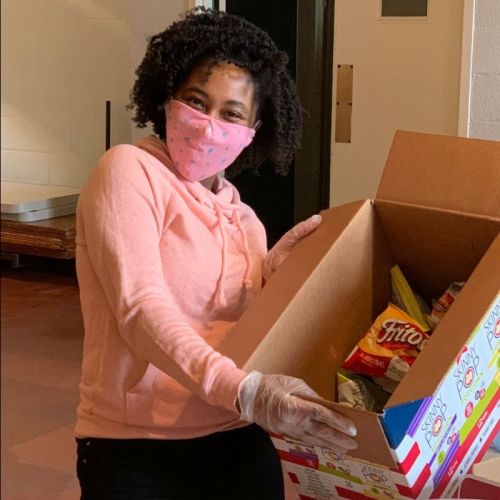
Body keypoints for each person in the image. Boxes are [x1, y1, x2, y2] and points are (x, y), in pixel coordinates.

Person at [74, 8, 357, 500]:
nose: (208, 127)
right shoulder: (127, 172)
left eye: (230, 114)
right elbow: (139, 307)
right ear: (166, 98)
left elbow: (234, 317)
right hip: (138, 447)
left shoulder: (242, 215)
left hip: (237, 436)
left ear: (254, 128)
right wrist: (245, 390)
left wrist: (277, 276)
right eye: (195, 102)